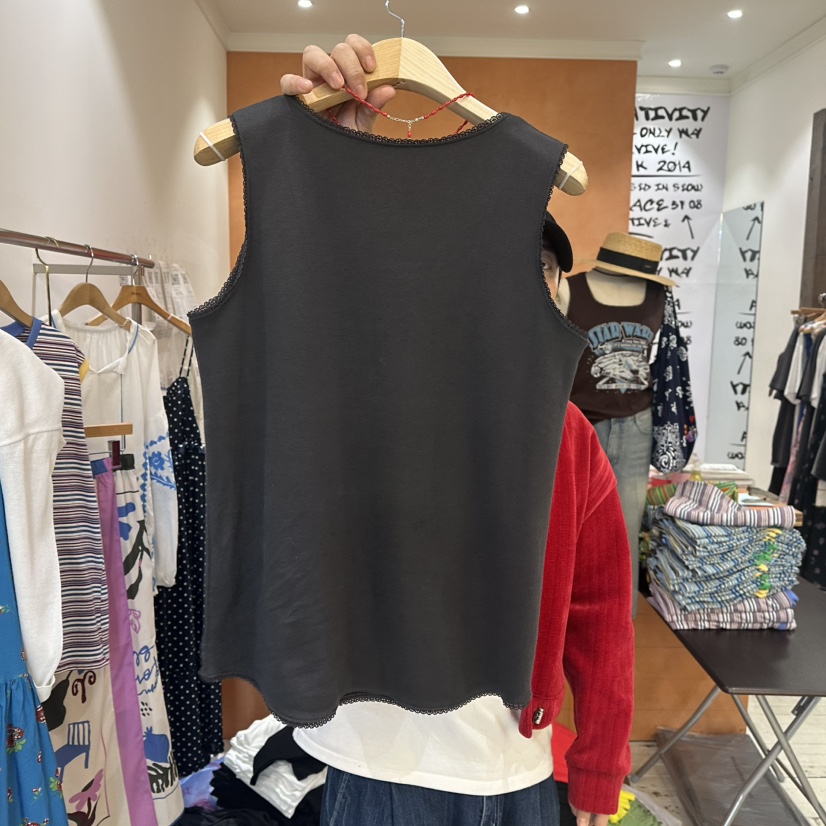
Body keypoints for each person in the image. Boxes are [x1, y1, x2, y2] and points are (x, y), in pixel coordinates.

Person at [279, 36, 635, 826]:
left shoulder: (569, 436)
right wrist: (331, 165)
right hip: (379, 759)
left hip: (514, 762)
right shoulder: (359, 394)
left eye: (546, 274)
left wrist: (600, 769)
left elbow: (603, 611)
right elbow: (312, 306)